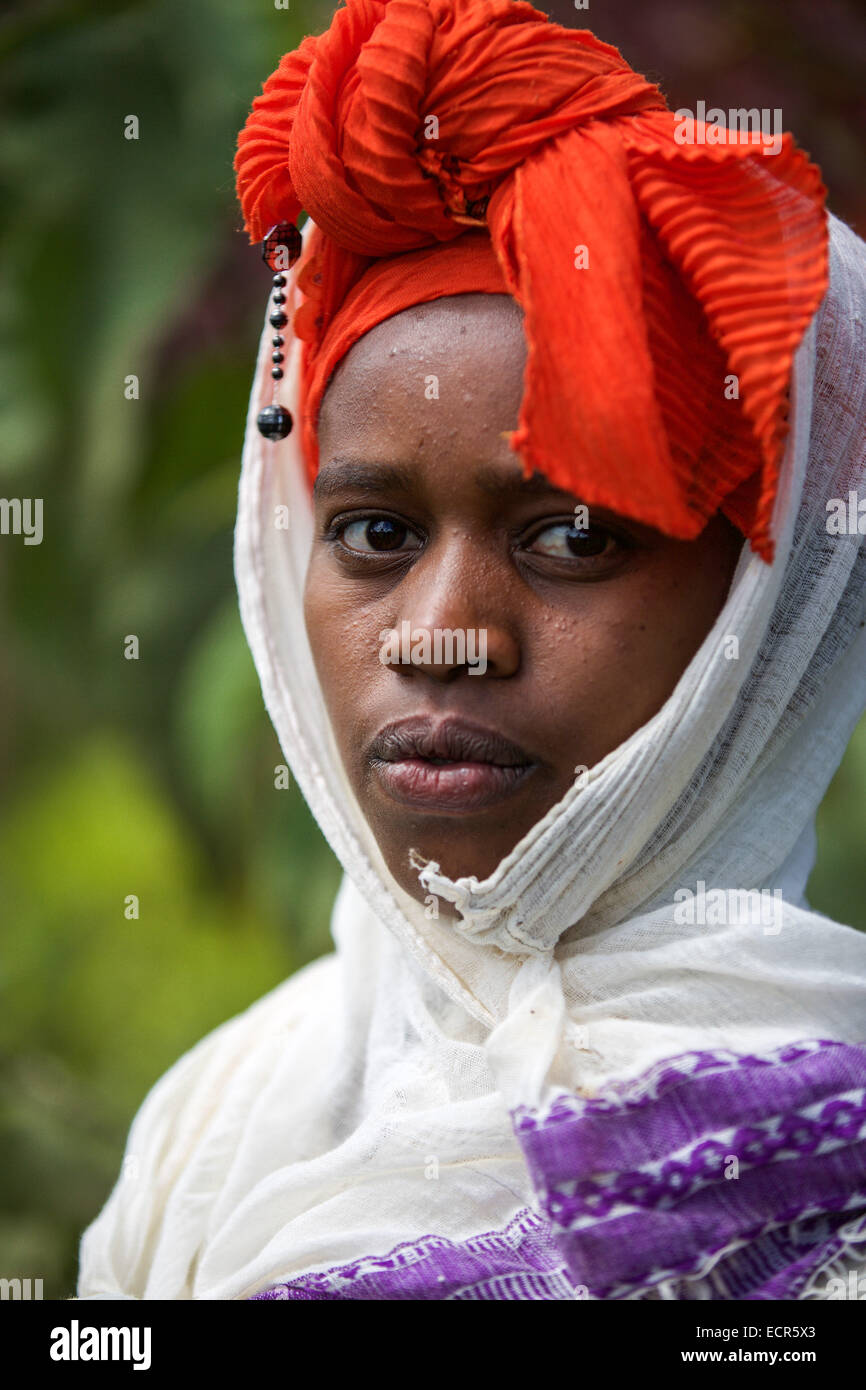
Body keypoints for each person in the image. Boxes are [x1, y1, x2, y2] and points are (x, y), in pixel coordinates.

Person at [77, 0, 866, 1300]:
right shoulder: (222, 1122)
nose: (441, 629)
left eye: (570, 536)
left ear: (760, 622)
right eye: (376, 530)